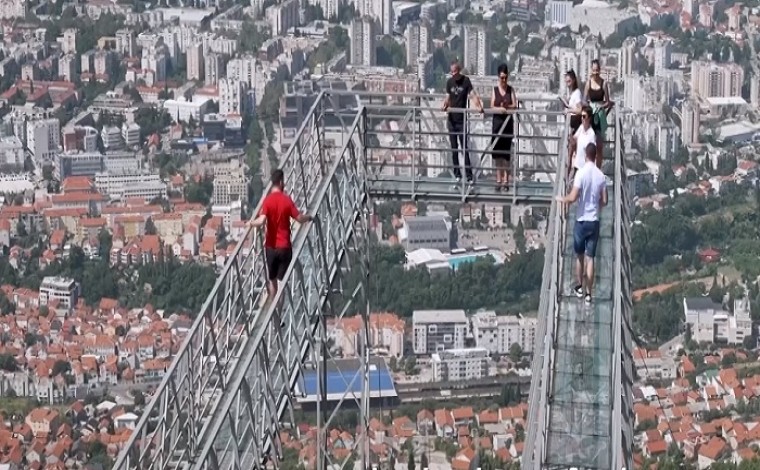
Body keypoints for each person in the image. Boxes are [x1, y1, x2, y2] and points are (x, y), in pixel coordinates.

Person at [557, 142, 608, 305]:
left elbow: (572, 198)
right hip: (594, 221)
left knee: (579, 256)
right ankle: (589, 294)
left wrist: (561, 199)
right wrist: (597, 206)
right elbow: (605, 200)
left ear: (586, 155)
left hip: (581, 220)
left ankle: (579, 287)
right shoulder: (601, 176)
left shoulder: (581, 174)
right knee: (590, 258)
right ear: (596, 156)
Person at [249, 169, 313, 299]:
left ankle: (274, 311)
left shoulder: (267, 201)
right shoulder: (286, 200)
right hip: (284, 247)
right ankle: (278, 308)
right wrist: (309, 217)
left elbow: (261, 221)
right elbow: (299, 218)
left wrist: (250, 223)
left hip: (271, 248)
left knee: (272, 280)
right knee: (281, 282)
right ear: (281, 181)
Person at [442, 60, 484, 184]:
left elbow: (472, 94)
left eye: (455, 71)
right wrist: (444, 105)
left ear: (459, 70)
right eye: (451, 72)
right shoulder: (449, 82)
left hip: (461, 120)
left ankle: (469, 176)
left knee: (464, 149)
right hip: (451, 120)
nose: (453, 74)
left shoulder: (466, 81)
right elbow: (447, 97)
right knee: (454, 149)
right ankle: (457, 175)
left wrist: (478, 106)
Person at [490, 63, 518, 191]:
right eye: (502, 78)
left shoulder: (510, 90)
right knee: (497, 155)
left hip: (507, 125)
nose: (504, 80)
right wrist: (499, 108)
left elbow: (515, 105)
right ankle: (498, 179)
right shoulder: (495, 90)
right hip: (497, 124)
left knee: (506, 155)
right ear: (498, 77)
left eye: (505, 77)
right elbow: (491, 106)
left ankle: (506, 180)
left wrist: (506, 107)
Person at [584, 60, 613, 168]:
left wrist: (601, 106)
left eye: (597, 70)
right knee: (588, 144)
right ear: (591, 70)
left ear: (600, 70)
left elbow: (608, 102)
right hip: (590, 115)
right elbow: (584, 100)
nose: (595, 72)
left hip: (599, 116)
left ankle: (598, 169)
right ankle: (587, 167)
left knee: (599, 145)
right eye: (594, 70)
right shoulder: (588, 83)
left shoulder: (604, 83)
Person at [568, 106, 596, 181]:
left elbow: (592, 153)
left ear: (589, 118)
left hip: (585, 169)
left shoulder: (591, 135)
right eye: (581, 116)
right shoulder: (581, 128)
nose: (582, 118)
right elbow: (574, 139)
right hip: (577, 167)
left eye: (584, 116)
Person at [560, 70, 583, 135]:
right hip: (571, 124)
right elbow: (573, 106)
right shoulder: (572, 93)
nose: (567, 83)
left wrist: (569, 111)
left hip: (575, 125)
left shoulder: (577, 93)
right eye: (566, 82)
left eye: (569, 81)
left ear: (573, 80)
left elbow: (579, 110)